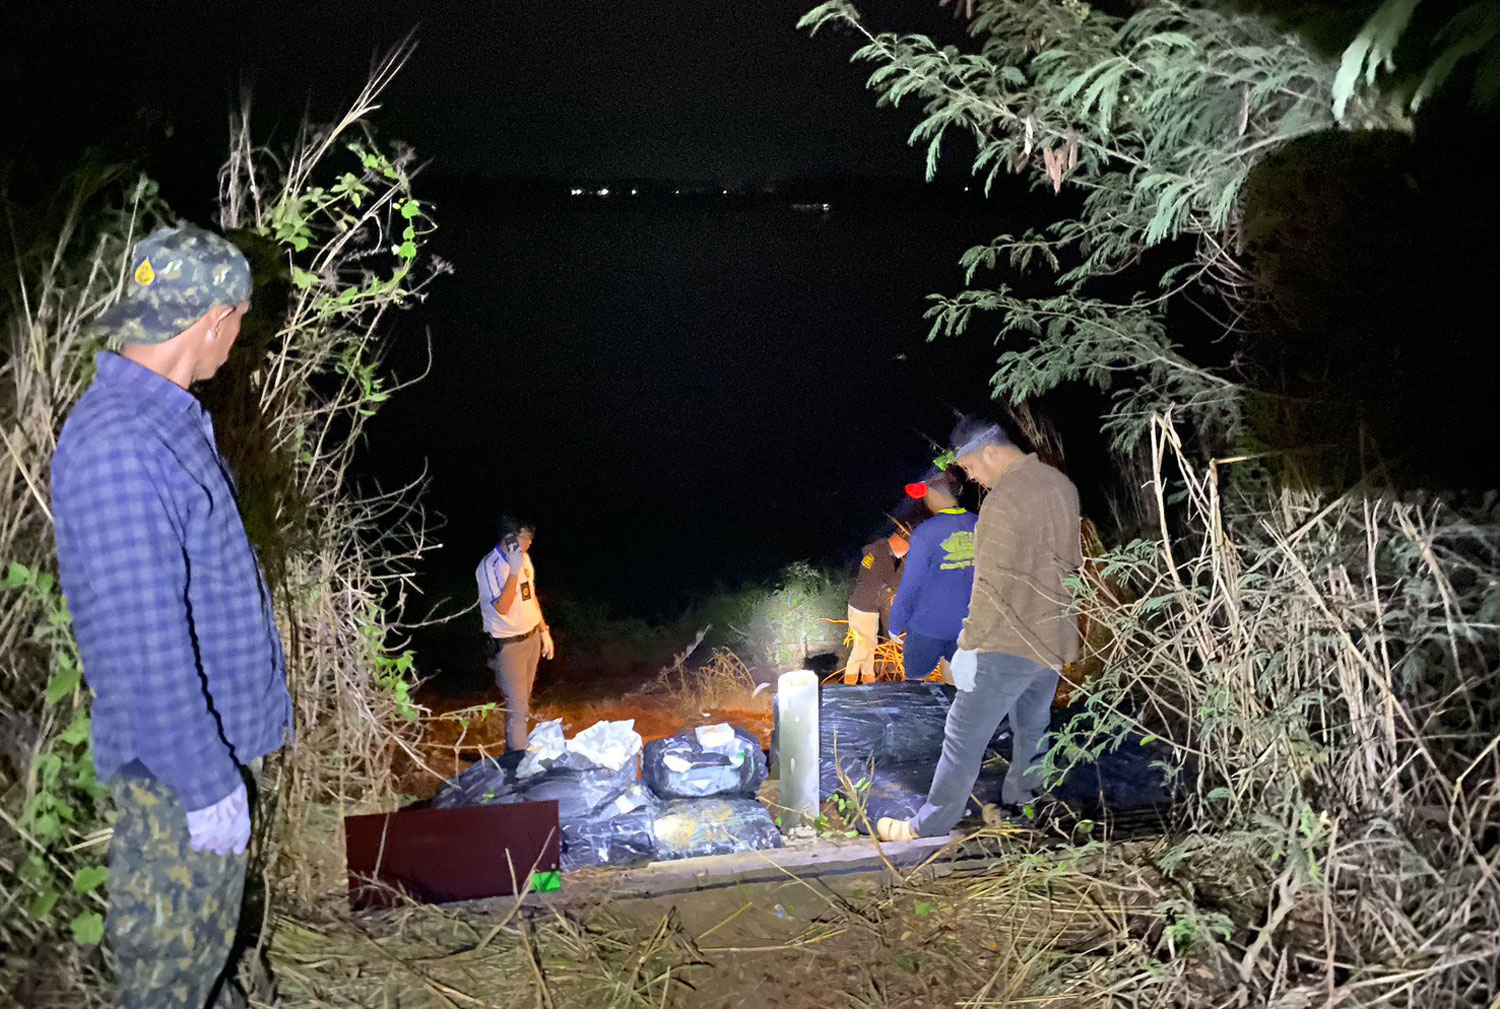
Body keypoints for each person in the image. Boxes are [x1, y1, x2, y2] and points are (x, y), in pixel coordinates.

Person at [51, 224, 291, 1009]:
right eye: (240, 323)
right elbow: (143, 641)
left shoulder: (163, 417)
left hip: (201, 754)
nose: (236, 342)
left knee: (202, 963)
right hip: (175, 774)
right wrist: (202, 781)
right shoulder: (123, 442)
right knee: (166, 982)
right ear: (213, 319)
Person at [878, 416, 1082, 841]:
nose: (971, 477)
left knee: (962, 733)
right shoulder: (1061, 485)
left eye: (970, 467)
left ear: (988, 450)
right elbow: (1070, 566)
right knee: (1032, 726)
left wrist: (969, 645)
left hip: (1008, 640)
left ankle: (929, 824)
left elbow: (990, 585)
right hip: (1053, 637)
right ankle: (1026, 801)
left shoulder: (1003, 499)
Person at [890, 468, 977, 682]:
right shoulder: (980, 524)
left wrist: (895, 623)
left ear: (935, 493)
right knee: (956, 683)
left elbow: (911, 584)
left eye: (926, 495)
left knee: (915, 684)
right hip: (967, 627)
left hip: (927, 627)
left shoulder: (926, 533)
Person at [476, 516, 555, 749]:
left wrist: (543, 630)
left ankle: (516, 753)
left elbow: (530, 597)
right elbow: (502, 607)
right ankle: (516, 765)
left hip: (531, 639)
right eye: (525, 538)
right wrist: (513, 571)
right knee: (517, 708)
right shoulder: (489, 566)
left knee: (522, 705)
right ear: (509, 538)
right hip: (508, 646)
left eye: (531, 538)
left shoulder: (525, 559)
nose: (529, 543)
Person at [844, 530, 908, 685]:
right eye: (908, 548)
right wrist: (905, 566)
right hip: (866, 608)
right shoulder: (884, 559)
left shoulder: (876, 551)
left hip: (858, 604)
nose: (907, 551)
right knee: (862, 648)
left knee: (869, 645)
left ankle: (869, 679)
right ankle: (849, 683)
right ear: (899, 542)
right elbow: (890, 588)